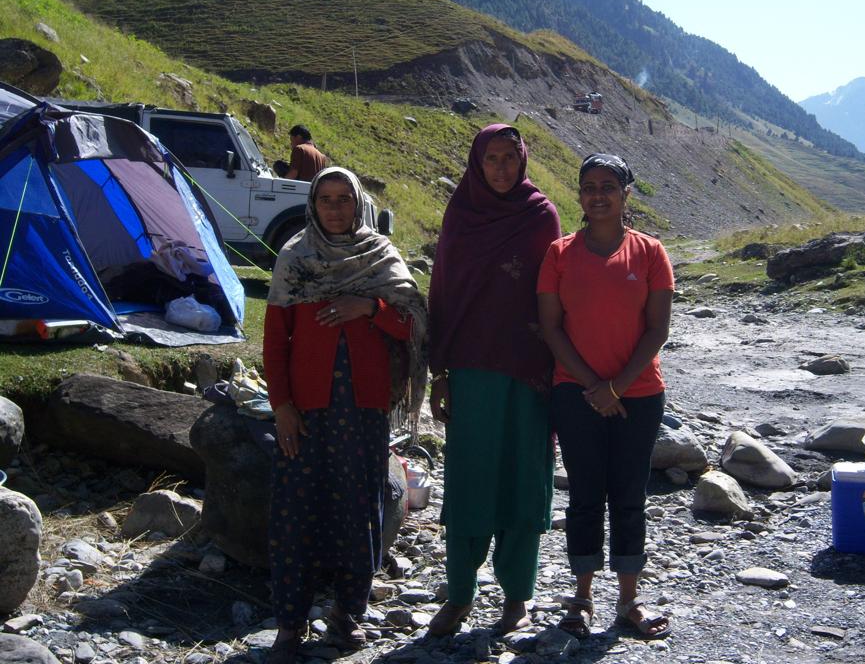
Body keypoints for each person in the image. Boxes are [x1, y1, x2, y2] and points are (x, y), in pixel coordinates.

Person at [262, 166, 427, 662]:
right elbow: (275, 341)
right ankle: (289, 625)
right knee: (296, 512)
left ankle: (346, 617)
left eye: (344, 199)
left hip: (365, 407)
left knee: (359, 509)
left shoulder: (381, 258)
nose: (335, 208)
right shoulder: (294, 259)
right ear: (313, 205)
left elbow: (412, 325)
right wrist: (282, 407)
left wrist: (370, 308)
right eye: (326, 199)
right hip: (306, 411)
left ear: (359, 203)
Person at [427, 124, 562, 635]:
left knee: (524, 479)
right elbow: (443, 290)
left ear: (523, 160)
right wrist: (440, 372)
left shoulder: (539, 215)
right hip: (471, 368)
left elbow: (554, 294)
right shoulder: (462, 213)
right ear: (476, 163)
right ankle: (460, 594)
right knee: (469, 479)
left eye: (510, 157)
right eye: (492, 159)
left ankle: (517, 596)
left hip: (530, 370)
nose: (501, 168)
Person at [537, 153, 673, 640]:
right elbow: (552, 329)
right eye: (589, 186)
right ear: (579, 195)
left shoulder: (650, 252)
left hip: (639, 394)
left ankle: (629, 599)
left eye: (608, 186)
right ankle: (581, 596)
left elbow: (657, 329)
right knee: (585, 495)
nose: (598, 195)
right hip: (575, 394)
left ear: (625, 194)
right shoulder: (559, 254)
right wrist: (596, 387)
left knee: (630, 496)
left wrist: (615, 387)